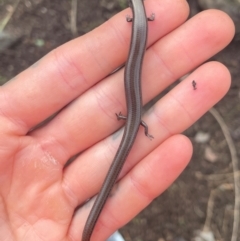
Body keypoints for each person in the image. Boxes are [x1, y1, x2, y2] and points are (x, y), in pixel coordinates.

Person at [0, 0, 235, 240]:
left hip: (133, 118)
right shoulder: (142, 19)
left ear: (135, 13)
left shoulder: (136, 19)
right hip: (132, 118)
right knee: (131, 130)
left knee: (131, 132)